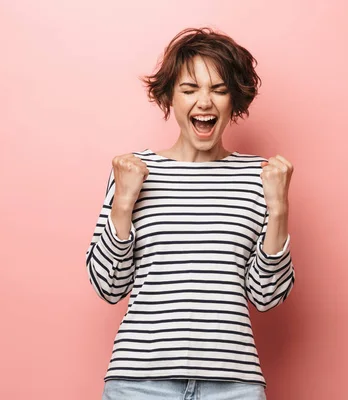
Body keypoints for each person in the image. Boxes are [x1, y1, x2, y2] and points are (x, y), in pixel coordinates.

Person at [86, 27, 295, 400]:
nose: (205, 102)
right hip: (139, 383)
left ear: (235, 99)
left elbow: (267, 296)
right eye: (189, 89)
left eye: (219, 89)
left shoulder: (259, 178)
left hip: (234, 386)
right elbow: (108, 286)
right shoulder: (135, 171)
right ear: (169, 96)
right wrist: (122, 204)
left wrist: (278, 210)